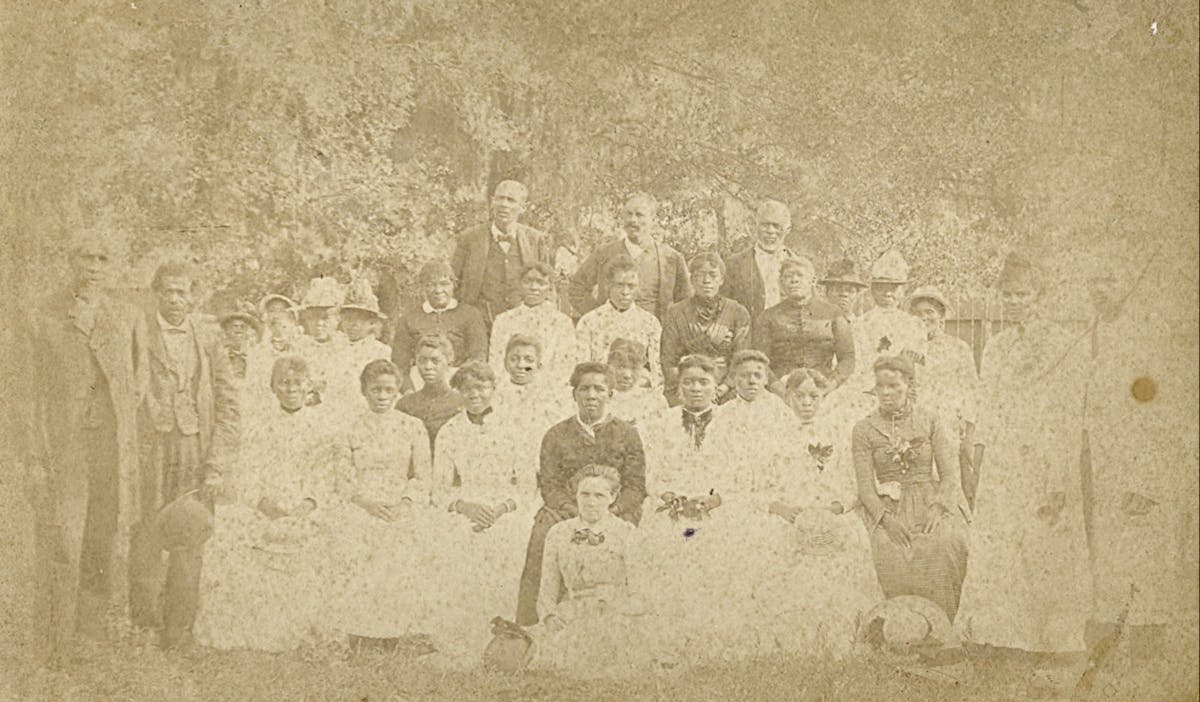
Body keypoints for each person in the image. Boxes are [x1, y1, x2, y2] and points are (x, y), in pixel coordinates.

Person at [18, 232, 146, 666]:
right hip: (64, 449)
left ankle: (91, 637)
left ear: (113, 265)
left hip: (109, 448)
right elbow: (27, 394)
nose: (94, 265)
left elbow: (138, 382)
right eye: (86, 256)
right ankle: (52, 642)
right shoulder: (43, 316)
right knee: (62, 539)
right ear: (71, 261)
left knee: (102, 537)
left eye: (103, 257)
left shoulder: (127, 316)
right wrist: (35, 458)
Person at [958, 253, 1091, 656]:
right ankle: (999, 636)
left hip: (1044, 456)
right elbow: (987, 404)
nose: (1015, 302)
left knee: (1043, 544)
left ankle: (1051, 641)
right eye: (1008, 295)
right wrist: (978, 453)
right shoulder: (997, 346)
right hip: (1003, 458)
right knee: (1000, 544)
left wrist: (1058, 475)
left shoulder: (1064, 345)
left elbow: (1066, 412)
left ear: (1041, 296)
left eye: (1023, 295)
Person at [1082, 261, 1198, 662]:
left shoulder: (1146, 334)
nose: (1099, 288)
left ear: (1127, 283)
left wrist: (1145, 479)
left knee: (1146, 551)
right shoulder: (1093, 332)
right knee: (1110, 554)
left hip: (1141, 464)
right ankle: (1109, 638)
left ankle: (1148, 643)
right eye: (1093, 279)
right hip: (1103, 463)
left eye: (1108, 277)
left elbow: (1160, 413)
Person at [194, 357, 344, 652]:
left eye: (298, 383)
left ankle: (303, 626)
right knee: (227, 535)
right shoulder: (260, 427)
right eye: (284, 383)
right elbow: (250, 471)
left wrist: (308, 504)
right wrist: (264, 503)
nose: (291, 390)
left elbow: (325, 475)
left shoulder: (322, 428)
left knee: (323, 537)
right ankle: (248, 627)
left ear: (309, 387)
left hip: (305, 503)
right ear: (273, 388)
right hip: (266, 502)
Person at [130, 260, 241, 649]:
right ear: (155, 293)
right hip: (150, 446)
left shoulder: (208, 338)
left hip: (194, 447)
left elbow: (228, 402)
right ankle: (143, 627)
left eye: (183, 292)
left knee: (190, 533)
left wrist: (217, 463)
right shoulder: (138, 332)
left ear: (194, 297)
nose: (175, 299)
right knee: (145, 532)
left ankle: (179, 632)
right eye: (168, 291)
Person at [514, 362, 646, 626]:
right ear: (573, 394)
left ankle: (620, 619)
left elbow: (636, 486)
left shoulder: (627, 434)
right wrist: (576, 512)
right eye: (584, 389)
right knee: (542, 533)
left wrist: (611, 510)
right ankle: (532, 624)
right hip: (567, 509)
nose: (592, 395)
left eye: (599, 388)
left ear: (611, 394)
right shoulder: (555, 435)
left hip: (615, 508)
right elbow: (549, 486)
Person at [430, 361, 537, 658]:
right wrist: (465, 506)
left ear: (493, 389)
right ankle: (466, 632)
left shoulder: (514, 426)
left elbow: (528, 485)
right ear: (459, 392)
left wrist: (501, 508)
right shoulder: (450, 431)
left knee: (510, 537)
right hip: (468, 505)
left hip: (507, 506)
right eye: (467, 389)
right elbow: (439, 489)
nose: (474, 394)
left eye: (481, 387)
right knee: (457, 539)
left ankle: (503, 636)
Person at [851, 355, 970, 621]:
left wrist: (938, 507)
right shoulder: (863, 429)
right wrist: (885, 519)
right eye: (881, 386)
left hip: (930, 499)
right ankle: (897, 626)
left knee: (946, 542)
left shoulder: (930, 420)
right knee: (884, 546)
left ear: (909, 385)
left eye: (894, 386)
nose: (886, 393)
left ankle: (942, 624)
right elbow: (865, 488)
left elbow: (950, 475)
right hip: (889, 504)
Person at [331, 359, 436, 655]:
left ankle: (394, 631)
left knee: (404, 538)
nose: (382, 396)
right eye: (375, 389)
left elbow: (422, 475)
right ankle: (359, 630)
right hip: (361, 502)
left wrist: (405, 502)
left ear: (398, 392)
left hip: (400, 501)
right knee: (357, 535)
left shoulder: (412, 427)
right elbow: (343, 477)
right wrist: (366, 503)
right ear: (364, 390)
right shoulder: (349, 427)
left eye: (389, 390)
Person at [533, 464, 663, 676]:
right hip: (571, 615)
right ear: (575, 495)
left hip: (615, 616)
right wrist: (550, 618)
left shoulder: (626, 533)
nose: (591, 502)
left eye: (599, 495)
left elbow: (642, 596)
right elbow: (547, 590)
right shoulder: (558, 533)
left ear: (613, 497)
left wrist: (618, 608)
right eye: (584, 494)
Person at [907, 286, 979, 505]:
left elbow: (972, 391)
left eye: (929, 312)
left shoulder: (958, 348)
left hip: (949, 425)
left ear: (941, 315)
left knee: (951, 486)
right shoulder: (906, 349)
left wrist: (968, 430)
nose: (924, 318)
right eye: (918, 314)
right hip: (916, 426)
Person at [568, 192, 691, 320]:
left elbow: (686, 302)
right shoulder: (604, 253)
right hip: (611, 333)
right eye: (628, 214)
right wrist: (599, 316)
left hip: (654, 334)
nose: (633, 220)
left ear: (653, 220)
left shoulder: (672, 258)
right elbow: (576, 289)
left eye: (639, 215)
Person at [450, 179, 553, 326]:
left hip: (523, 321)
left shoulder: (535, 240)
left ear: (523, 207)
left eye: (511, 200)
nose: (504, 205)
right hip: (480, 324)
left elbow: (547, 285)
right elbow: (453, 282)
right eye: (500, 198)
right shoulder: (469, 238)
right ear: (492, 202)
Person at [660, 252, 751, 405]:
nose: (706, 280)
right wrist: (688, 388)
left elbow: (741, 359)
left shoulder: (737, 312)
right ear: (691, 279)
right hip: (686, 387)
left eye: (713, 275)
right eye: (700, 275)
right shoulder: (676, 312)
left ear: (721, 280)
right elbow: (668, 361)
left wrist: (723, 387)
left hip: (726, 388)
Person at [751, 256, 855, 389]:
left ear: (812, 281)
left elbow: (847, 358)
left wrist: (830, 385)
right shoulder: (767, 317)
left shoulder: (834, 313)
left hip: (824, 386)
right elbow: (760, 360)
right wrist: (779, 389)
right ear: (781, 283)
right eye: (788, 276)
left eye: (800, 275)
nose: (794, 280)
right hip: (781, 388)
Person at [391, 260, 488, 394]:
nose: (438, 290)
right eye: (431, 285)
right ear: (422, 287)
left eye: (444, 284)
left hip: (459, 384)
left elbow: (478, 357)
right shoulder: (408, 319)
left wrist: (461, 388)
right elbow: (399, 364)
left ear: (454, 285)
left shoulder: (470, 315)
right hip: (419, 382)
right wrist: (409, 393)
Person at [575, 255, 663, 387]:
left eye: (631, 286)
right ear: (608, 286)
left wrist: (642, 382)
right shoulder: (589, 321)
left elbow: (658, 369)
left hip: (637, 391)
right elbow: (581, 367)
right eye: (620, 285)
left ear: (638, 288)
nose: (625, 292)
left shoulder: (650, 323)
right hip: (600, 391)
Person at [849, 251, 927, 393]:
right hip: (869, 390)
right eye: (882, 288)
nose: (888, 294)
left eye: (894, 288)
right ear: (872, 290)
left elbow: (920, 364)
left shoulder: (914, 324)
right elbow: (858, 363)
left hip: (905, 390)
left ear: (903, 291)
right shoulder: (860, 324)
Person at [488, 262, 579, 385]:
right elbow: (496, 363)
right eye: (528, 281)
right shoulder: (503, 321)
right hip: (509, 389)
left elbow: (565, 366)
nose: (534, 287)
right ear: (519, 285)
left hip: (549, 390)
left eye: (541, 283)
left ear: (550, 288)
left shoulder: (562, 323)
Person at [722, 200, 800, 318]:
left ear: (788, 229)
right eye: (765, 224)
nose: (770, 231)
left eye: (776, 226)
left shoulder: (800, 266)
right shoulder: (733, 264)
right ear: (755, 226)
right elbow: (722, 308)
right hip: (749, 334)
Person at [395, 334, 464, 455]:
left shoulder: (461, 403)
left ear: (449, 361)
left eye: (435, 361)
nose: (428, 367)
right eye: (422, 361)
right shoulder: (405, 405)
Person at [491, 334, 572, 435]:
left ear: (539, 365)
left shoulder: (551, 398)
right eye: (514, 359)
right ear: (505, 363)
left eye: (529, 360)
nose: (521, 365)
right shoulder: (493, 395)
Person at [294, 276, 349, 406]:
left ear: (337, 319)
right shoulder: (298, 347)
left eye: (325, 318)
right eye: (313, 317)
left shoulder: (346, 348)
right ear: (306, 319)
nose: (319, 323)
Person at [604, 340, 667, 425]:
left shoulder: (652, 401)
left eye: (634, 368)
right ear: (609, 366)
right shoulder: (600, 398)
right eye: (621, 367)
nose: (627, 375)